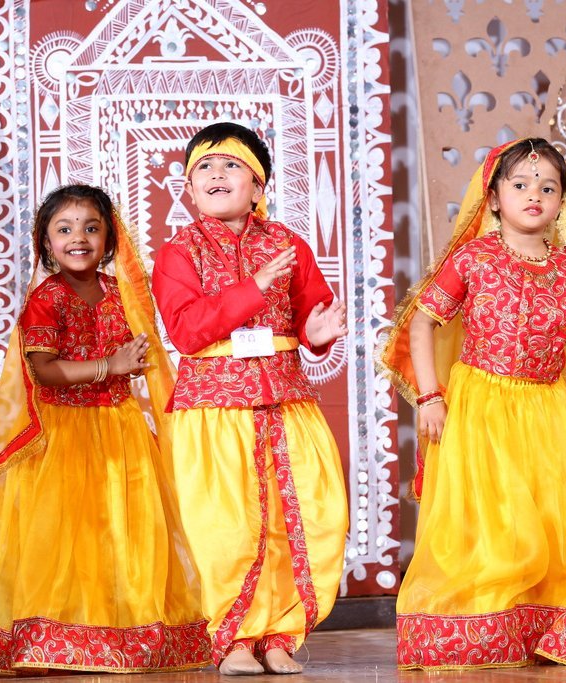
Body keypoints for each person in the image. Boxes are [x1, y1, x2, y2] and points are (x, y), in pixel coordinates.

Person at [381, 138, 566, 669]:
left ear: (562, 201)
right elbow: (423, 323)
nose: (534, 195)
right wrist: (429, 396)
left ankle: (549, 620)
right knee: (491, 515)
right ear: (494, 198)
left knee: (550, 517)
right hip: (481, 405)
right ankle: (481, 619)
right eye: (520, 185)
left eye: (548, 187)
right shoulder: (474, 258)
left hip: (545, 411)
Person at [0, 184, 209, 674]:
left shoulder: (122, 293)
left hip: (120, 429)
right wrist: (109, 366)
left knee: (122, 533)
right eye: (65, 228)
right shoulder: (47, 298)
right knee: (63, 539)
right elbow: (44, 370)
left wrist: (136, 367)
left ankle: (121, 637)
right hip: (62, 436)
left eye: (91, 228)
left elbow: (141, 352)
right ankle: (54, 639)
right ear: (46, 242)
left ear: (109, 239)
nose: (79, 237)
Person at [151, 122, 349, 675]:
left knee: (300, 519)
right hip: (213, 413)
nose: (216, 175)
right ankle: (232, 639)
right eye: (204, 168)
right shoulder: (178, 252)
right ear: (188, 190)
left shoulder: (288, 244)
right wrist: (254, 287)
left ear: (259, 186)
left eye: (231, 166)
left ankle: (279, 635)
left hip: (286, 403)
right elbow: (187, 331)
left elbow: (311, 315)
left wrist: (318, 332)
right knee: (225, 527)